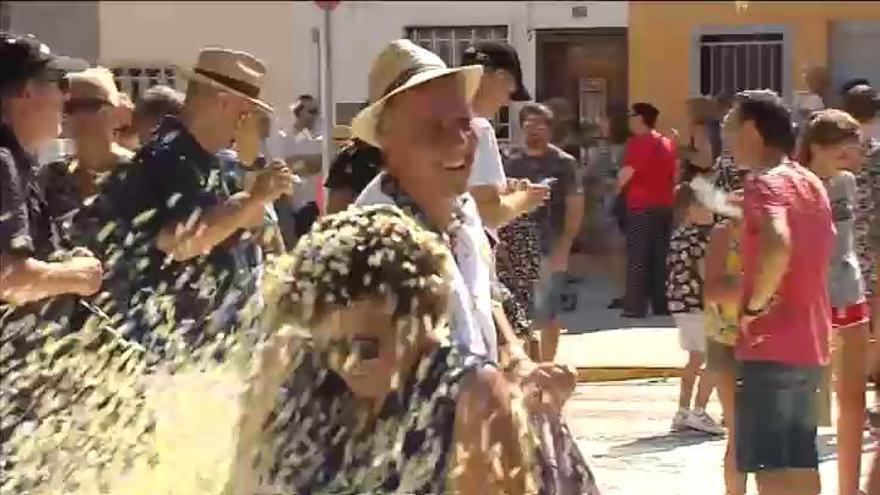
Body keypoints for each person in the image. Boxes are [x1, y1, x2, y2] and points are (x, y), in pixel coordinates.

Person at [229, 205, 540, 494]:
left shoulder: (473, 397)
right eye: (330, 347)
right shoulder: (288, 365)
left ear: (420, 322)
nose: (348, 364)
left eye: (367, 347)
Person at [101, 47, 296, 352]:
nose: (244, 124)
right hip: (167, 349)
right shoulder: (167, 157)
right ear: (222, 103)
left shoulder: (216, 161)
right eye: (244, 113)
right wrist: (254, 199)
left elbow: (252, 228)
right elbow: (182, 242)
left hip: (211, 345)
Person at [0, 32, 102, 488]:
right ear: (24, 91)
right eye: (55, 82)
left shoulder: (19, 162)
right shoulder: (2, 160)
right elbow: (10, 278)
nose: (65, 96)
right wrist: (77, 277)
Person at [722, 89, 833, 495]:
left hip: (770, 344)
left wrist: (754, 307)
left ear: (752, 129)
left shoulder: (763, 184)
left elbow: (778, 242)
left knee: (770, 467)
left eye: (730, 127)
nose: (727, 138)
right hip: (811, 343)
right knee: (801, 457)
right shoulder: (809, 182)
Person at [799, 109, 870, 495]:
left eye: (854, 152)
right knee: (806, 404)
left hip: (849, 292)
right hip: (808, 301)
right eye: (843, 153)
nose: (852, 161)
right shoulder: (797, 186)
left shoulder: (847, 184)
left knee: (854, 399)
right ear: (816, 149)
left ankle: (849, 487)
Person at [505, 103, 585, 362]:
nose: (534, 130)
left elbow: (575, 207)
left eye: (540, 125)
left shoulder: (564, 164)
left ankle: (547, 367)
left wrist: (565, 247)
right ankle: (529, 369)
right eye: (528, 124)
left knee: (548, 313)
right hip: (514, 245)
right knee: (521, 315)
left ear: (550, 129)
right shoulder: (510, 162)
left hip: (550, 244)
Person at [462, 40, 547, 230]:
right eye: (509, 92)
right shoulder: (478, 128)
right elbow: (487, 214)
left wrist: (503, 189)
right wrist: (524, 200)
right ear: (500, 76)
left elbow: (463, 194)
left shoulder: (433, 117)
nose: (507, 103)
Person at [666, 183, 723, 436]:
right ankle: (699, 410)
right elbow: (704, 271)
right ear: (690, 209)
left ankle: (682, 410)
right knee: (716, 358)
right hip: (700, 304)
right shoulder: (701, 238)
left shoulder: (678, 235)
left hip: (680, 305)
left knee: (695, 357)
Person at [617, 102, 677, 318]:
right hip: (664, 204)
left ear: (639, 118)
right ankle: (661, 305)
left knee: (638, 257)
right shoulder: (668, 143)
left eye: (631, 115)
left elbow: (627, 174)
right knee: (660, 257)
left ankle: (636, 306)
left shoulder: (638, 143)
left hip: (640, 205)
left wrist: (615, 190)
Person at [704, 202, 746, 495]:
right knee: (737, 430)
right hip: (726, 339)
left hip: (771, 341)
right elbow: (712, 292)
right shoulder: (723, 235)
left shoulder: (782, 233)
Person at [324, 137, 383, 214]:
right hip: (347, 191)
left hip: (369, 196)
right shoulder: (346, 155)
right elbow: (336, 191)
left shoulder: (379, 155)